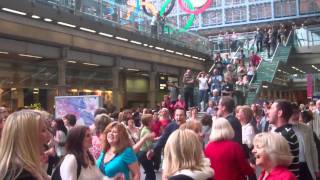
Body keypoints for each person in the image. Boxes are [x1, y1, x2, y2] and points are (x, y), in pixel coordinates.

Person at [0, 110, 51, 180]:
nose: (49, 136)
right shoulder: (23, 176)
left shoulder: (11, 170)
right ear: (26, 137)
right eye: (43, 130)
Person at [268, 99, 300, 178]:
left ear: (279, 113)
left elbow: (273, 162)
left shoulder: (283, 135)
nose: (267, 112)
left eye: (271, 109)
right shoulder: (284, 132)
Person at [290, 104, 319, 180]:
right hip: (292, 169)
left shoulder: (306, 128)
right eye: (293, 113)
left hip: (307, 167)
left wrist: (316, 169)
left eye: (297, 112)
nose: (296, 116)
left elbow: (313, 149)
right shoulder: (282, 130)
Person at [138, 114, 156, 180]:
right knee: (151, 174)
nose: (154, 120)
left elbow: (150, 141)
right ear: (149, 122)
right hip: (144, 153)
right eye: (152, 119)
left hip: (143, 153)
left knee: (150, 173)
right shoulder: (146, 131)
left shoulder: (146, 129)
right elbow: (149, 145)